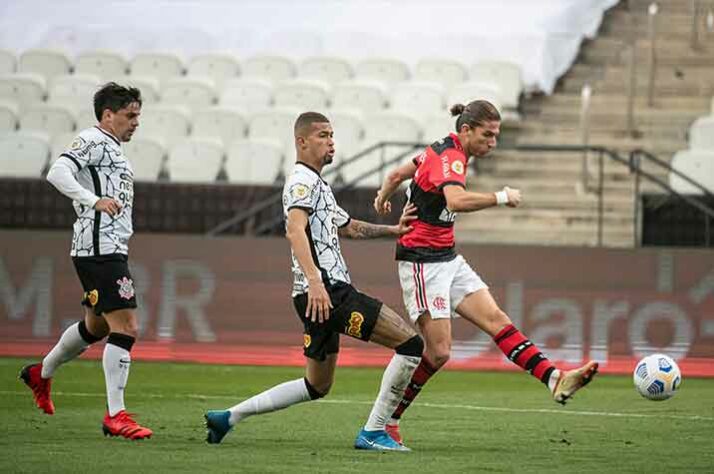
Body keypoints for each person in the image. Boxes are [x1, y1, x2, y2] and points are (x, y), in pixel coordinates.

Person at [373, 100, 599, 445]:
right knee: (438, 352)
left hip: (446, 258)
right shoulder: (451, 157)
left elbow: (396, 174)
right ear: (466, 131)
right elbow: (455, 201)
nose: (493, 142)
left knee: (496, 319)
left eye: (496, 135)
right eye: (487, 135)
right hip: (421, 262)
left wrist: (383, 195)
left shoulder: (441, 150)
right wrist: (501, 197)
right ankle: (384, 422)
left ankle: (554, 378)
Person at [204, 111, 424, 452]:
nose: (331, 141)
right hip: (327, 291)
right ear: (301, 142)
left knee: (317, 384)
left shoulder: (317, 183)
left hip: (313, 294)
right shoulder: (301, 182)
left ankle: (228, 417)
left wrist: (394, 230)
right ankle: (375, 431)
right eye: (323, 135)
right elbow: (294, 229)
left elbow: (349, 226)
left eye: (332, 135)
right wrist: (316, 283)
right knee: (411, 345)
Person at [20, 82, 152, 440]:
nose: (136, 122)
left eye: (138, 115)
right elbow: (57, 172)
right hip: (99, 248)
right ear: (107, 115)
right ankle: (116, 415)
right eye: (130, 115)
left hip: (107, 247)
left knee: (96, 328)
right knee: (126, 328)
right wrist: (93, 200)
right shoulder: (92, 140)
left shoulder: (114, 149)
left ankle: (41, 373)